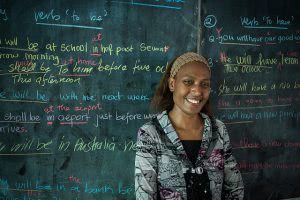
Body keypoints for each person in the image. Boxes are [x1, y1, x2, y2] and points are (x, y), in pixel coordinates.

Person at [135, 52, 244, 200]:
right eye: (188, 82)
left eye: (204, 84)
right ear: (172, 84)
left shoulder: (218, 130)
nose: (197, 91)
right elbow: (145, 194)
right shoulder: (150, 133)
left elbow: (234, 189)